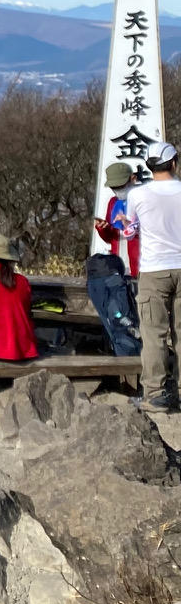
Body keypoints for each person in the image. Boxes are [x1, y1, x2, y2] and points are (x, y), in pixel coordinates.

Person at [126, 145, 181, 413]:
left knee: (154, 334)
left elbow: (129, 230)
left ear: (149, 166)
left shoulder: (137, 194)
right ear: (174, 163)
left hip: (153, 270)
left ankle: (156, 393)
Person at [95, 161, 141, 276]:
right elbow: (110, 238)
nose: (118, 190)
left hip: (141, 265)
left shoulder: (144, 199)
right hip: (119, 263)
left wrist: (129, 225)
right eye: (114, 188)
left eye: (121, 186)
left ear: (133, 179)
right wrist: (103, 228)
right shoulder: (113, 202)